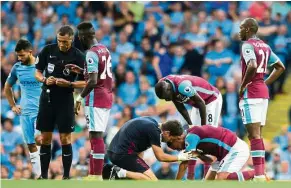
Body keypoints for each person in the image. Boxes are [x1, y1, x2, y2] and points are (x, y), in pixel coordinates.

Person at [34, 25, 85, 179]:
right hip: (47, 98)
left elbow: (87, 82)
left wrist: (69, 84)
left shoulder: (78, 56)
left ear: (71, 39)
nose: (62, 44)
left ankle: (66, 176)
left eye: (65, 41)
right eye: (59, 41)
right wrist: (44, 79)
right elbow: (36, 71)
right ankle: (43, 176)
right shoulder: (48, 50)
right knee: (46, 138)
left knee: (65, 138)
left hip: (65, 100)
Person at [238, 18, 285, 180]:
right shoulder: (265, 46)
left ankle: (258, 175)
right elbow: (280, 67)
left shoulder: (247, 45)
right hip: (263, 93)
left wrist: (243, 85)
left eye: (242, 28)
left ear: (249, 28)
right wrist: (264, 82)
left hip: (251, 93)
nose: (239, 31)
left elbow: (251, 65)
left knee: (253, 135)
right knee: (258, 135)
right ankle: (260, 173)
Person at [65, 22, 113, 180]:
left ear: (83, 36)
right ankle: (93, 174)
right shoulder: (104, 49)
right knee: (95, 136)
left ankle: (96, 176)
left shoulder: (91, 53)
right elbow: (99, 74)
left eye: (78, 37)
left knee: (96, 136)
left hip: (95, 98)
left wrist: (79, 97)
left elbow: (92, 81)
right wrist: (81, 70)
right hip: (106, 95)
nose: (78, 39)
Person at [155, 74, 223, 179]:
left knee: (207, 138)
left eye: (167, 97)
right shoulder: (164, 84)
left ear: (169, 89)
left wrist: (204, 128)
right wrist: (190, 124)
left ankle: (206, 177)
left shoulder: (182, 86)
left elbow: (201, 102)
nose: (168, 100)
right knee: (191, 137)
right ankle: (190, 177)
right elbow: (180, 107)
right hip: (196, 104)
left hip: (210, 100)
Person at [103, 117, 193, 180]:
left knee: (141, 178)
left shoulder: (152, 123)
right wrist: (180, 157)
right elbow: (160, 157)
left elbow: (139, 148)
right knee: (152, 182)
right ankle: (117, 172)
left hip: (117, 152)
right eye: (171, 139)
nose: (169, 142)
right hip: (123, 154)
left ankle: (118, 176)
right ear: (167, 133)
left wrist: (140, 169)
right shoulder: (154, 131)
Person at [4, 39, 42, 178]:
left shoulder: (41, 66)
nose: (20, 58)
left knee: (40, 140)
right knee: (31, 145)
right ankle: (39, 175)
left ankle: (45, 168)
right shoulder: (17, 68)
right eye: (18, 56)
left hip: (41, 111)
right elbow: (7, 87)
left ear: (30, 52)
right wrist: (13, 105)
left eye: (22, 55)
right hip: (25, 112)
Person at [168, 125, 259, 181]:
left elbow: (185, 164)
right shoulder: (193, 139)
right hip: (222, 155)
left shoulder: (190, 138)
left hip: (234, 148)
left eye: (176, 147)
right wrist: (200, 155)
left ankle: (256, 174)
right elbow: (210, 160)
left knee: (222, 179)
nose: (178, 150)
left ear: (178, 138)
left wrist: (179, 182)